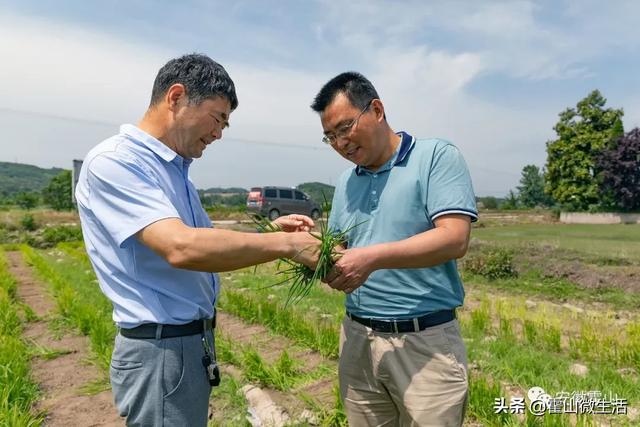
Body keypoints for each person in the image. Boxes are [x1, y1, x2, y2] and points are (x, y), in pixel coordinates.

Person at [76, 53, 319, 427]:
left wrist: (271, 233)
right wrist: (290, 246)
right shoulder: (116, 162)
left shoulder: (174, 171)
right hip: (161, 349)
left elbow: (203, 239)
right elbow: (181, 246)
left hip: (187, 344)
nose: (219, 133)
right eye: (218, 118)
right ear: (176, 97)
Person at [311, 72, 478, 426]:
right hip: (357, 338)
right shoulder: (346, 181)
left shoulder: (435, 157)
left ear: (377, 109)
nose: (340, 143)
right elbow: (341, 246)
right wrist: (310, 243)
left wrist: (372, 258)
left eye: (345, 128)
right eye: (330, 137)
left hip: (425, 344)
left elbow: (454, 238)